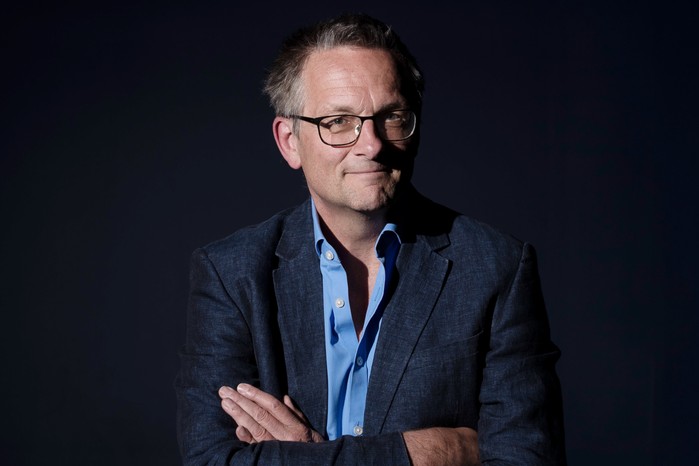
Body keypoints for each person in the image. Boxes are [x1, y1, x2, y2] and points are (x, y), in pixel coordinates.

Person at [176, 13, 566, 465]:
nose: (372, 144)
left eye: (392, 117)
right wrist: (430, 452)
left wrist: (305, 456)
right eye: (338, 121)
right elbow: (210, 462)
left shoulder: (497, 268)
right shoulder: (231, 273)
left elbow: (527, 461)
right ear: (290, 142)